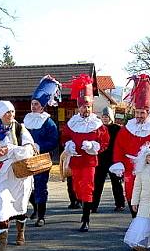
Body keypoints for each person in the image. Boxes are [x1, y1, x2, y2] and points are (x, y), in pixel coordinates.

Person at [0, 100, 35, 251]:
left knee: (19, 203)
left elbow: (29, 149)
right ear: (0, 114)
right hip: (0, 172)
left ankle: (20, 232)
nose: (10, 115)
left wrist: (11, 150)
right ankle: (2, 242)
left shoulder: (20, 128)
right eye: (7, 112)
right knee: (0, 203)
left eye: (12, 112)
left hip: (18, 173)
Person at [111, 74, 150, 217]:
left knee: (147, 197)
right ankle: (135, 219)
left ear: (148, 113)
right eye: (137, 112)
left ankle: (144, 222)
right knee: (130, 194)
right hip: (130, 169)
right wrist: (119, 163)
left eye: (142, 113)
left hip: (149, 170)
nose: (139, 115)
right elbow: (118, 147)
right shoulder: (126, 129)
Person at [61, 74, 109, 231]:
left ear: (91, 107)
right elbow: (65, 137)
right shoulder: (72, 122)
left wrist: (93, 145)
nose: (86, 109)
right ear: (78, 107)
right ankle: (83, 208)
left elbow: (105, 142)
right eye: (83, 106)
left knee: (88, 188)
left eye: (88, 106)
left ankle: (86, 219)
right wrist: (68, 145)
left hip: (89, 162)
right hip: (75, 160)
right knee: (77, 188)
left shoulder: (97, 123)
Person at [23, 75, 60, 227]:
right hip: (25, 157)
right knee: (26, 185)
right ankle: (36, 208)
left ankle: (41, 216)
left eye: (36, 104)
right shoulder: (26, 119)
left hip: (41, 158)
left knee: (40, 186)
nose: (34, 106)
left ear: (42, 106)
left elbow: (54, 140)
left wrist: (40, 146)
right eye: (32, 104)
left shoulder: (48, 122)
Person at [92, 107, 126, 213]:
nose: (105, 118)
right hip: (101, 159)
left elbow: (122, 144)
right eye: (103, 116)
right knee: (97, 183)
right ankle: (93, 205)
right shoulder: (98, 128)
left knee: (116, 183)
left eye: (106, 116)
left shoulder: (117, 129)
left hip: (113, 159)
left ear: (110, 117)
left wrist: (121, 159)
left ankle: (120, 204)